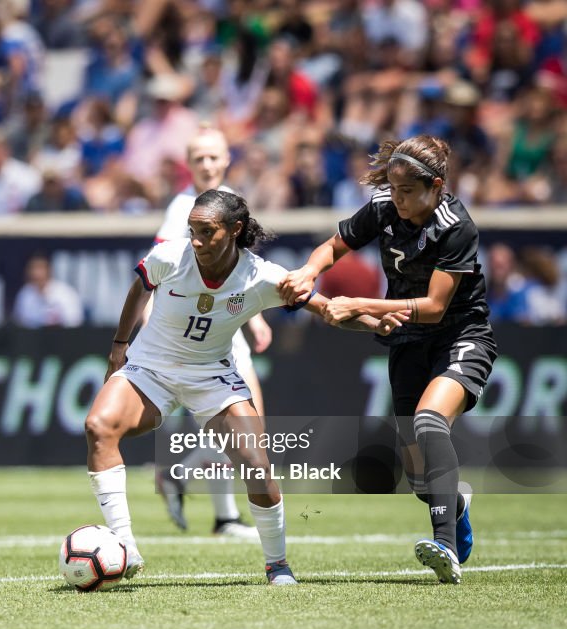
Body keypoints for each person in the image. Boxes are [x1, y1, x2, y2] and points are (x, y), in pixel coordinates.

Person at [87, 189, 406, 585]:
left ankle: (278, 565)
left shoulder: (262, 276)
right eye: (193, 231)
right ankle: (125, 547)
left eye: (207, 232)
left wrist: (375, 323)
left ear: (235, 229)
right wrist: (119, 347)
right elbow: (140, 288)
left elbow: (327, 310)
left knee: (257, 466)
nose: (197, 241)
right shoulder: (168, 256)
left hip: (212, 377)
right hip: (150, 369)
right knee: (98, 426)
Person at [279, 134, 497, 585]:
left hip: (460, 336)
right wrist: (308, 272)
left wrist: (359, 305)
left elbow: (434, 307)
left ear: (436, 187)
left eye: (407, 191)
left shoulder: (456, 227)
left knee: (430, 422)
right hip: (407, 341)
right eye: (393, 189)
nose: (397, 199)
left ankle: (445, 546)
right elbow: (333, 247)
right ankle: (454, 503)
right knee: (419, 478)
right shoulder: (383, 207)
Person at [152, 126, 269, 539]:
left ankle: (221, 514)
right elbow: (158, 266)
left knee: (240, 427)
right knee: (244, 426)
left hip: (226, 323)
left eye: (213, 156)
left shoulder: (231, 200)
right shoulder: (183, 208)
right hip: (198, 328)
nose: (206, 164)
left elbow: (242, 269)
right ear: (188, 163)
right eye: (198, 157)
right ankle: (189, 482)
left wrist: (255, 317)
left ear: (227, 159)